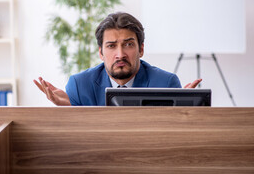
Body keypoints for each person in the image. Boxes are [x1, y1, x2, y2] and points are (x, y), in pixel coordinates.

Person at [34, 12, 201, 106]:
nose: (120, 54)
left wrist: (185, 110)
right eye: (111, 46)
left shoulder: (166, 84)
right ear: (100, 53)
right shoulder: (79, 86)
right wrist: (69, 109)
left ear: (141, 49)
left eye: (128, 45)